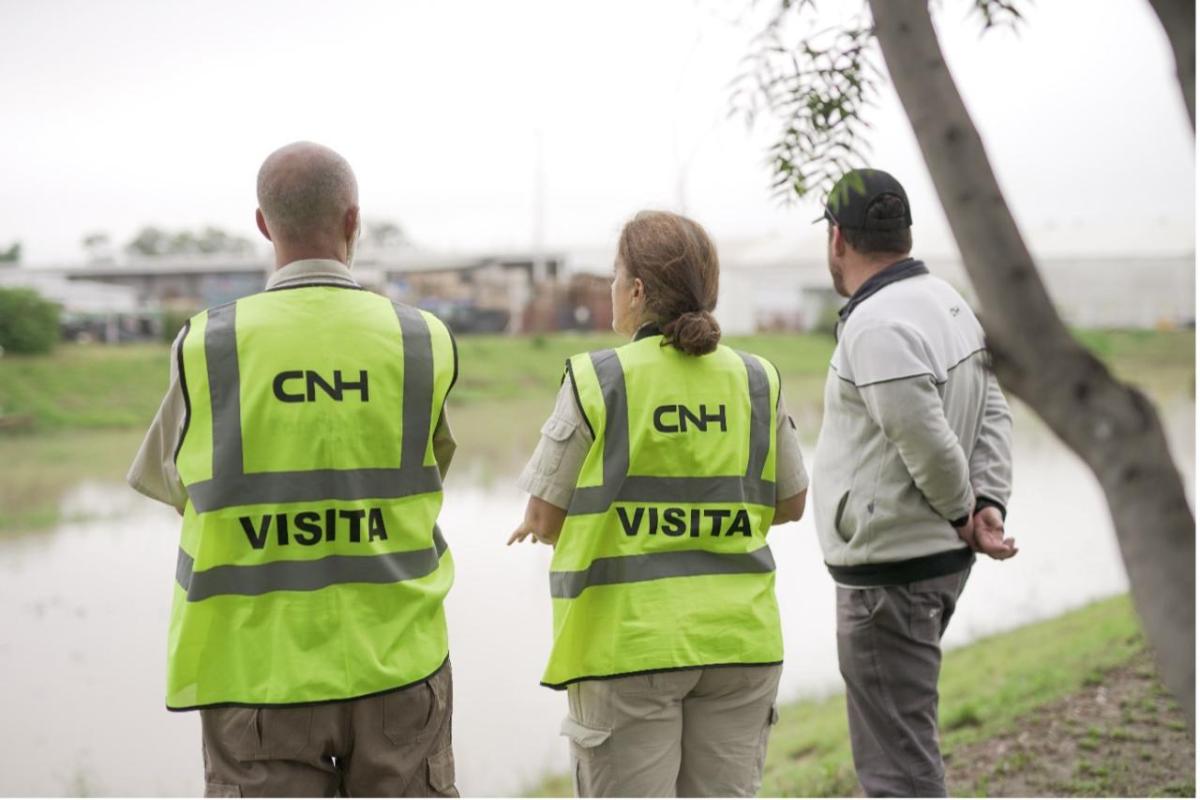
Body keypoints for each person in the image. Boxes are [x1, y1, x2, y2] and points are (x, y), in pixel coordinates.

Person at [128, 142, 460, 798]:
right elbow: (430, 470)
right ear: (353, 221)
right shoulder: (421, 339)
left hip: (256, 672)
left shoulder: (207, 345)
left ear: (262, 224)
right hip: (397, 658)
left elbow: (175, 488)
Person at [509, 210, 809, 797]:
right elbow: (792, 504)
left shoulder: (599, 379)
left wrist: (541, 526)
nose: (612, 291)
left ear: (639, 290)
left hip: (629, 648)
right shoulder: (755, 378)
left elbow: (546, 517)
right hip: (739, 644)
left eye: (616, 277)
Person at [810, 168, 1016, 797]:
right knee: (906, 745)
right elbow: (994, 411)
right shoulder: (946, 301)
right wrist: (987, 501)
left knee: (898, 769)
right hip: (932, 558)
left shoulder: (878, 324)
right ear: (903, 234)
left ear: (837, 238)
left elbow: (921, 433)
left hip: (891, 572)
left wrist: (964, 509)